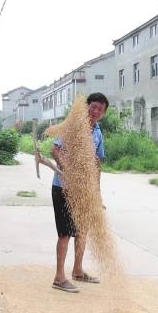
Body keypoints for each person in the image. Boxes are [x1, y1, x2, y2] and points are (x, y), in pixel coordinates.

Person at [50, 92, 108, 293]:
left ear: (103, 113)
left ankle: (77, 270)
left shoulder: (98, 133)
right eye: (93, 107)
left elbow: (96, 162)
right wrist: (68, 169)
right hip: (63, 187)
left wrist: (96, 190)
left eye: (100, 109)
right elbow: (55, 150)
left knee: (82, 230)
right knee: (65, 232)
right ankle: (59, 277)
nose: (95, 112)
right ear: (86, 107)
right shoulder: (72, 126)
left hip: (83, 190)